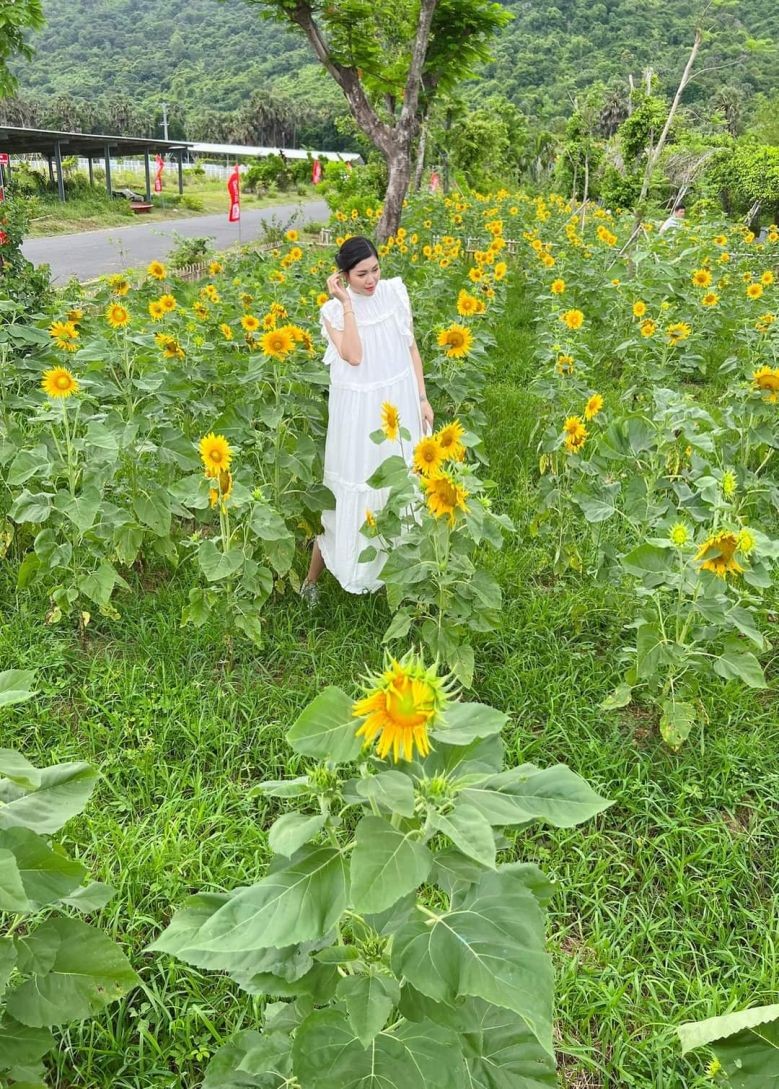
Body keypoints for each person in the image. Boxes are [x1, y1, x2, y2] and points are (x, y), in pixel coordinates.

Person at [301, 236, 434, 602]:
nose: (372, 280)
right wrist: (345, 303)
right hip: (360, 417)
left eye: (375, 269)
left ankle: (402, 578)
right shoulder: (332, 312)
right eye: (361, 274)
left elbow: (411, 349)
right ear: (344, 276)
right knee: (351, 490)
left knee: (402, 486)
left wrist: (422, 398)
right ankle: (312, 581)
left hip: (400, 403)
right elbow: (354, 356)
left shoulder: (395, 294)